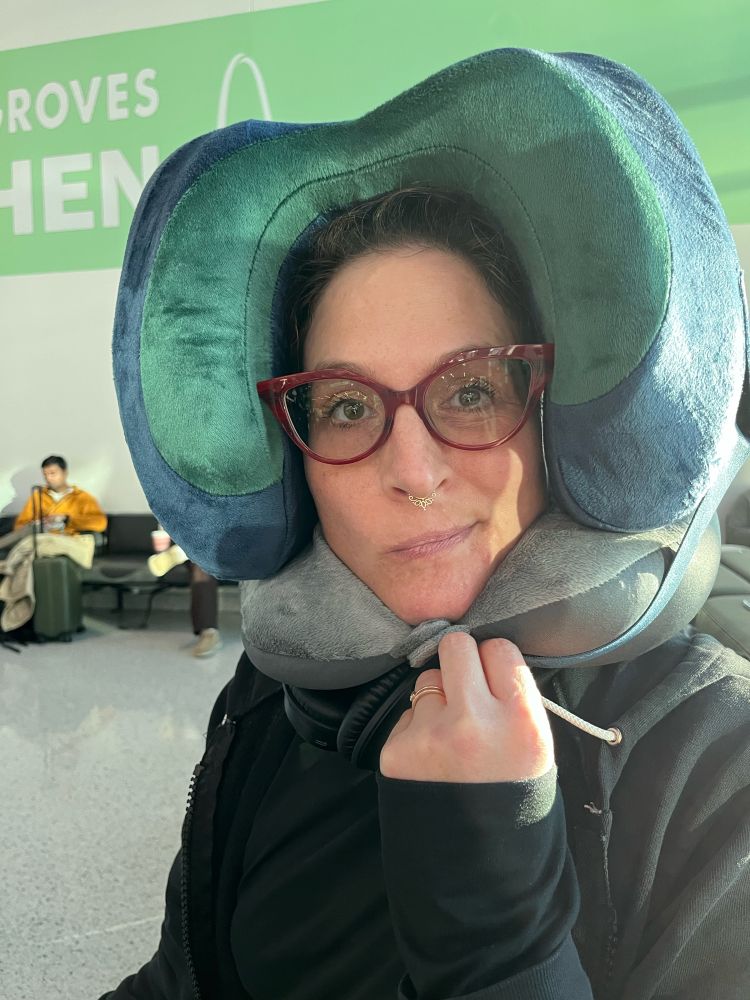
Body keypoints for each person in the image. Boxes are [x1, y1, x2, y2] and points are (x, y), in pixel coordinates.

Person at [101, 50, 749, 999]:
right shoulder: (278, 698)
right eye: (348, 408)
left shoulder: (718, 760)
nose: (413, 470)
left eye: (472, 388)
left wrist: (496, 933)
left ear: (556, 413)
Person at [13, 455, 107, 537]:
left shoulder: (81, 497)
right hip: (41, 540)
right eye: (45, 475)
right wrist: (38, 524)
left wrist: (66, 519)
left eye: (52, 473)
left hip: (70, 540)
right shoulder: (37, 496)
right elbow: (19, 527)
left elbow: (100, 523)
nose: (48, 478)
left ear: (65, 473)